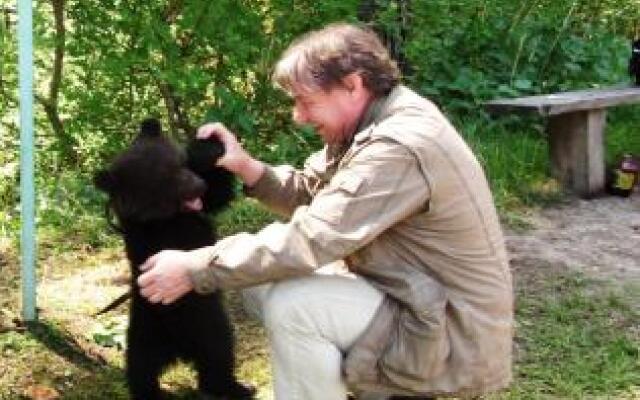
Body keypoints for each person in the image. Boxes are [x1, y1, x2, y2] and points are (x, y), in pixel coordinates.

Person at [137, 23, 513, 400]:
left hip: (452, 339)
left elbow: (313, 237)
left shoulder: (398, 146)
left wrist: (195, 266)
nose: (298, 116)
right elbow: (315, 195)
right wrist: (247, 166)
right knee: (260, 281)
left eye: (306, 100)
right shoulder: (373, 119)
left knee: (296, 307)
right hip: (416, 302)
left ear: (352, 85)